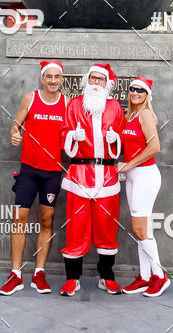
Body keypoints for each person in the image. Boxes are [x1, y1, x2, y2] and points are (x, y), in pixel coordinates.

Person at [0, 60, 68, 296]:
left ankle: (39, 273)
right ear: (42, 78)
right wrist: (15, 134)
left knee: (47, 221)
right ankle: (16, 274)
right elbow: (15, 126)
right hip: (29, 170)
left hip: (52, 172)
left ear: (61, 79)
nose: (52, 81)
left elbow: (70, 135)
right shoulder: (30, 99)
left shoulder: (66, 103)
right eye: (48, 76)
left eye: (56, 77)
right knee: (19, 219)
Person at [60, 63, 124, 296]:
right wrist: (71, 136)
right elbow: (64, 132)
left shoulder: (115, 107)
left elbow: (121, 134)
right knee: (76, 228)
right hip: (79, 175)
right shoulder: (75, 105)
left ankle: (106, 277)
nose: (96, 83)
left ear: (108, 85)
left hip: (107, 177)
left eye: (101, 80)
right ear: (87, 81)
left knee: (107, 229)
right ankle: (72, 279)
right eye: (93, 79)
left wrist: (115, 138)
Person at [118, 77, 170, 297]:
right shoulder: (131, 115)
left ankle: (160, 276)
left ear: (147, 94)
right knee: (143, 230)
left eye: (140, 90)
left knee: (140, 228)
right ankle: (146, 277)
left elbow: (155, 146)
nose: (135, 92)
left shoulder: (146, 114)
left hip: (145, 176)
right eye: (132, 89)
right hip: (132, 176)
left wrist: (128, 165)